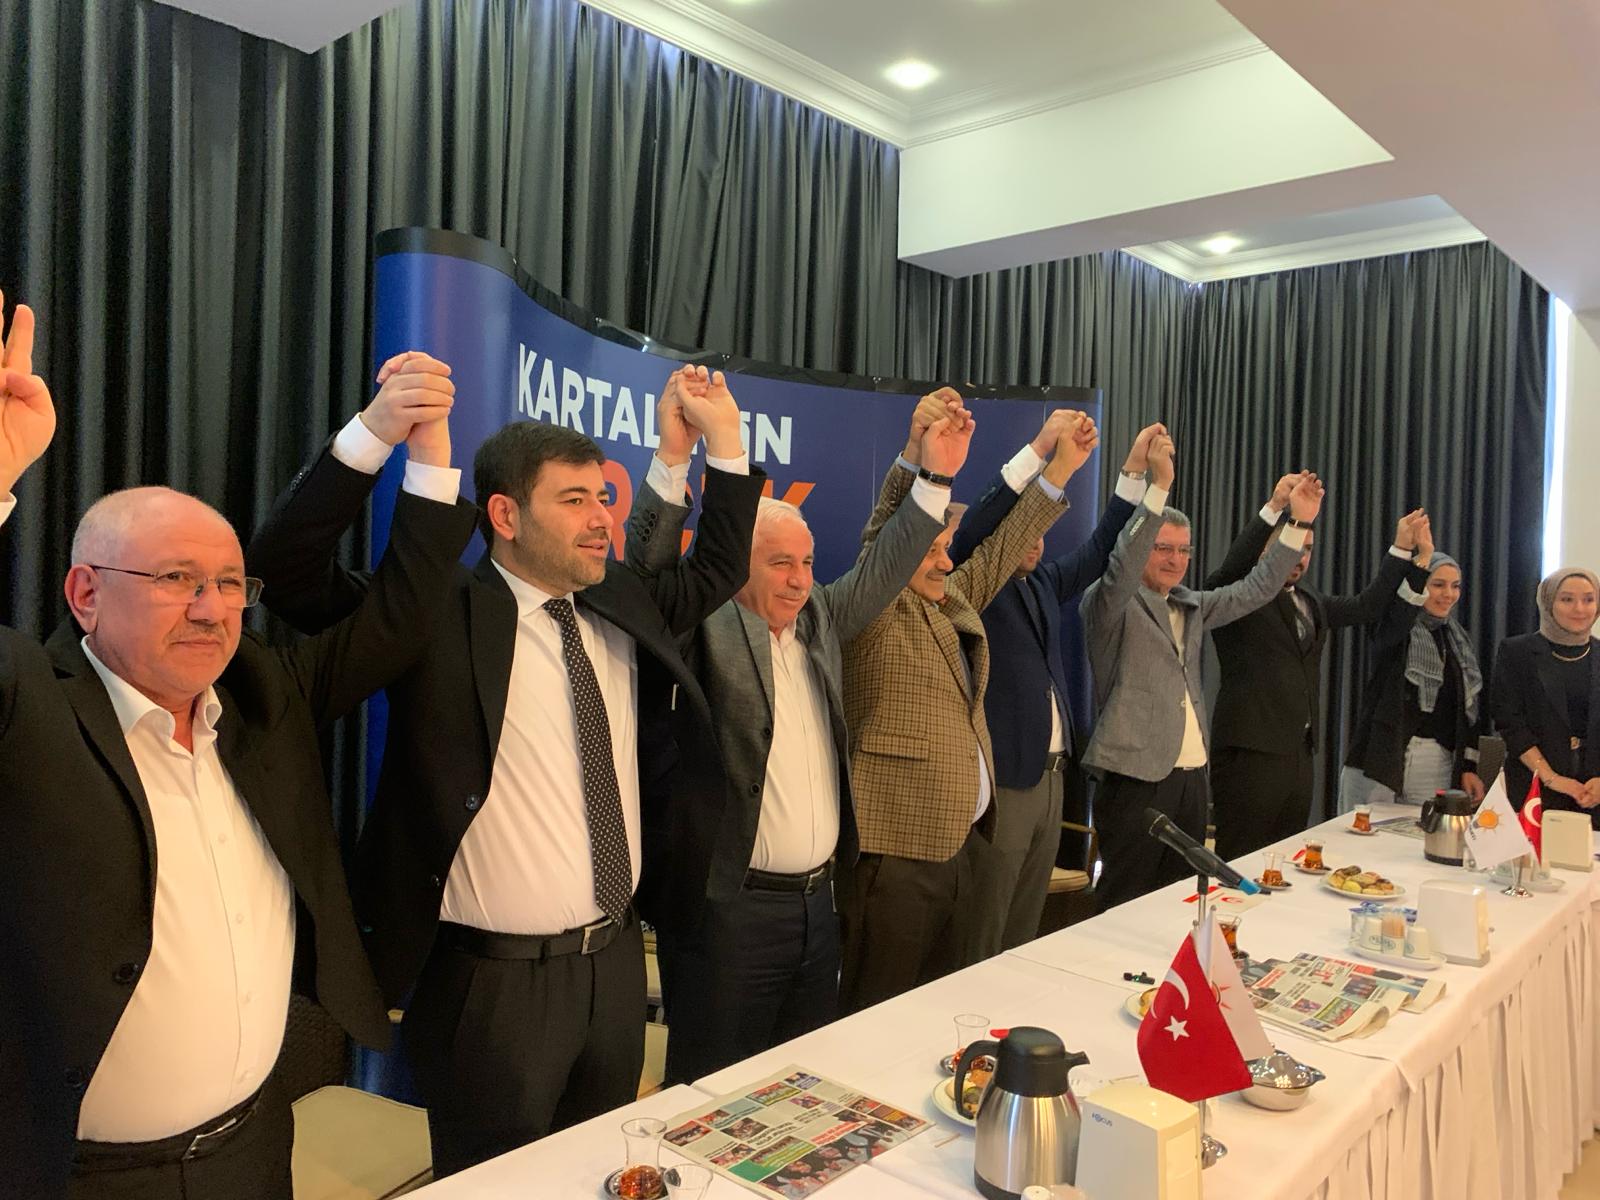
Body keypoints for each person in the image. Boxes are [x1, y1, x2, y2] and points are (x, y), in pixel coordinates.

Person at [0, 294, 478, 1199]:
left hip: (255, 1151)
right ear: (85, 593)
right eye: (176, 578)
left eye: (228, 583)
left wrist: (416, 450)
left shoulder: (264, 699)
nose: (212, 608)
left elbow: (402, 613)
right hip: (77, 1177)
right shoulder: (28, 706)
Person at [246, 363, 764, 1175]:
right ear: (505, 515)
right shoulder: (430, 610)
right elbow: (287, 571)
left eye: (604, 498)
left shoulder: (618, 601)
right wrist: (377, 433)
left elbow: (720, 566)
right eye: (575, 500)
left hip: (614, 969)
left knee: (598, 1176)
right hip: (488, 989)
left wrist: (722, 439)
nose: (602, 519)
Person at [628, 392, 971, 1083]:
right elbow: (650, 569)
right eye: (781, 562)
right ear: (735, 563)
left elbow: (886, 563)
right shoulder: (699, 627)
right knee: (710, 1094)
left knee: (798, 1092)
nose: (799, 580)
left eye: (808, 563)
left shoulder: (820, 620)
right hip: (729, 916)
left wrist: (933, 476)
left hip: (818, 910)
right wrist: (674, 459)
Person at [838, 399, 1092, 1011]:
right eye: (931, 550)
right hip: (897, 858)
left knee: (935, 1015)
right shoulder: (874, 608)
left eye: (946, 548)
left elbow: (1004, 548)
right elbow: (885, 535)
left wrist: (1060, 470)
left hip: (958, 852)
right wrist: (920, 459)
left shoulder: (950, 601)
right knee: (880, 1016)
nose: (946, 560)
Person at [949, 413, 1166, 953]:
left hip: (1051, 781)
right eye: (1027, 527)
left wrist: (1132, 474)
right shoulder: (974, 582)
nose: (1036, 540)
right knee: (984, 930)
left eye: (1042, 530)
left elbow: (1101, 548)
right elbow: (975, 529)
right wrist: (1041, 449)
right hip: (1005, 780)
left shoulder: (1043, 581)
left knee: (1025, 930)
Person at [1080, 437, 1323, 910]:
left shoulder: (1192, 605)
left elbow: (1256, 588)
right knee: (1124, 903)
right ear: (1143, 549)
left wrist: (1296, 522)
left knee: (1182, 901)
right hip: (1135, 778)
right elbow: (1121, 566)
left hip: (1192, 779)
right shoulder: (1110, 603)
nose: (1175, 560)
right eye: (1162, 548)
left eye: (1184, 550)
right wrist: (1159, 487)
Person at [1207, 486, 1428, 860]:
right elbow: (1230, 570)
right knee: (1241, 860)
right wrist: (1275, 507)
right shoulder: (1235, 597)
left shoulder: (1309, 599)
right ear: (1264, 550)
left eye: (1308, 549)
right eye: (1294, 545)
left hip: (1299, 754)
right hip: (1249, 755)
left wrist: (1406, 552)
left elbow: (1368, 606)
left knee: (1284, 861)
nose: (1300, 556)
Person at [1342, 516, 1487, 807]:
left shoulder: (1457, 640)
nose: (1448, 594)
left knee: (1420, 833)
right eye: (1438, 585)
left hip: (1436, 763)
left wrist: (1469, 767)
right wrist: (1422, 558)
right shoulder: (1394, 626)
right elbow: (1397, 616)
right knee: (1365, 833)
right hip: (1381, 758)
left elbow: (1468, 711)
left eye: (1455, 586)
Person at [1489, 567, 1600, 822]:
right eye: (1567, 599)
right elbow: (1510, 723)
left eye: (1588, 599)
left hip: (1594, 794)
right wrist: (1552, 778)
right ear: (1549, 603)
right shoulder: (1517, 652)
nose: (1579, 609)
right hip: (1534, 789)